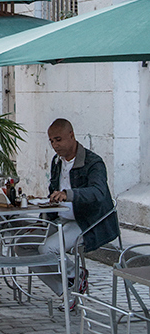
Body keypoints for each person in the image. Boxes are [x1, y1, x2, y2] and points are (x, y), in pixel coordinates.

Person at [35, 117, 120, 298]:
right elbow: (53, 191)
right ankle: (66, 291)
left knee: (47, 249)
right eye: (51, 141)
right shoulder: (56, 162)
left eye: (58, 140)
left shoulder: (93, 162)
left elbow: (98, 192)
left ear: (71, 136)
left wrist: (69, 194)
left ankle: (76, 275)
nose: (54, 145)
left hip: (86, 221)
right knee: (24, 247)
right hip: (60, 218)